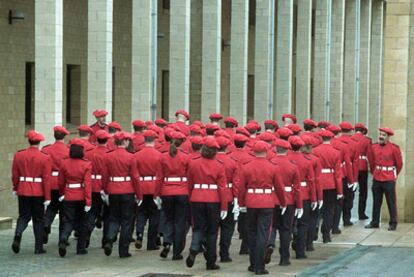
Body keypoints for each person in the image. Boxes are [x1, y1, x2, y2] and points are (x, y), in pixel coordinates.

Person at [238, 141, 286, 275]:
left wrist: (241, 204)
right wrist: (283, 202)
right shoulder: (273, 167)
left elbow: (241, 188)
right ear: (266, 151)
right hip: (266, 202)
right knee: (263, 234)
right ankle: (259, 266)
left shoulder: (246, 167)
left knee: (252, 233)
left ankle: (253, 263)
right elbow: (279, 188)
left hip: (251, 202)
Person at [186, 137, 228, 271]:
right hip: (213, 199)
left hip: (197, 197)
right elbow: (222, 188)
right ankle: (210, 262)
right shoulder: (219, 165)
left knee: (198, 228)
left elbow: (189, 183)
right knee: (212, 232)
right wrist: (224, 206)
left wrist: (191, 196)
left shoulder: (193, 163)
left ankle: (194, 247)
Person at [11, 130, 51, 254]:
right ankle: (38, 247)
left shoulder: (19, 155)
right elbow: (46, 179)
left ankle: (18, 234)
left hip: (23, 189)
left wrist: (15, 187)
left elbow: (15, 174)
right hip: (38, 191)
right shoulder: (45, 157)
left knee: (23, 216)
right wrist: (47, 197)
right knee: (38, 219)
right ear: (39, 142)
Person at [102, 131, 140, 258]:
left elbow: (105, 176)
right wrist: (139, 194)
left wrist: (105, 190)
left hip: (113, 189)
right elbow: (135, 177)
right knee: (126, 221)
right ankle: (123, 250)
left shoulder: (108, 156)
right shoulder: (131, 157)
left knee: (114, 218)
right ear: (125, 141)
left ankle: (109, 238)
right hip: (127, 190)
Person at [266, 139, 301, 266]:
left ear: (276, 149)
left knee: (272, 226)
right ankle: (284, 257)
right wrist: (299, 205)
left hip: (271, 198)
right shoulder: (292, 165)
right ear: (287, 150)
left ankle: (269, 244)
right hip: (288, 199)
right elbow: (296, 188)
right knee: (286, 229)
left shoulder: (270, 163)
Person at [156, 131, 189, 260]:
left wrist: (157, 194)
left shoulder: (163, 157)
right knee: (180, 222)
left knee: (169, 219)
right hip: (182, 191)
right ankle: (177, 252)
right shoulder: (186, 157)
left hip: (166, 191)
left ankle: (167, 243)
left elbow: (159, 177)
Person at [57, 139, 92, 257]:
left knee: (68, 220)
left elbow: (60, 181)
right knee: (82, 223)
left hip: (68, 195)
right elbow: (87, 184)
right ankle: (80, 248)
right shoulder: (86, 164)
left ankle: (63, 237)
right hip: (81, 196)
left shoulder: (64, 163)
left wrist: (62, 194)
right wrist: (88, 201)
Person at [366, 127, 403, 231]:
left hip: (389, 178)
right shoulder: (374, 147)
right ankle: (375, 222)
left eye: (383, 135)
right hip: (377, 176)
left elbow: (399, 164)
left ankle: (393, 223)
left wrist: (393, 175)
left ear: (388, 137)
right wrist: (375, 172)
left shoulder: (394, 148)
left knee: (391, 201)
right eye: (380, 134)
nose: (381, 136)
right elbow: (371, 162)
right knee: (376, 201)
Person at [287, 136, 316, 259]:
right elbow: (311, 181)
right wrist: (314, 198)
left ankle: (285, 253)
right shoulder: (306, 161)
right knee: (303, 224)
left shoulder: (286, 158)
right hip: (304, 194)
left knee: (287, 224)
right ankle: (300, 251)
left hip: (288, 194)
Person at [133, 130, 162, 250]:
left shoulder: (137, 155)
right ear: (154, 140)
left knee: (141, 213)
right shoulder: (159, 155)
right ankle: (151, 243)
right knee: (154, 216)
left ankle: (139, 234)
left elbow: (135, 174)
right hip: (154, 186)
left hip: (141, 186)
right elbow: (160, 175)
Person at [312, 130, 343, 243]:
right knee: (329, 211)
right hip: (330, 183)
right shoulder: (336, 152)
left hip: (318, 181)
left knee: (316, 209)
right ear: (331, 139)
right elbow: (338, 174)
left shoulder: (315, 151)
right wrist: (340, 191)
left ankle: (314, 230)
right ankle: (326, 234)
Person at [42, 126, 70, 244]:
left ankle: (46, 224)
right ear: (64, 136)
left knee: (51, 208)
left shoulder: (47, 149)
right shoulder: (68, 150)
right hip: (63, 183)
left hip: (50, 182)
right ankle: (62, 238)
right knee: (64, 211)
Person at [84, 130, 110, 248]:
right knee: (108, 214)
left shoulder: (89, 153)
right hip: (106, 185)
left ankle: (87, 235)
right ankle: (106, 240)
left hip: (92, 185)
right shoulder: (109, 154)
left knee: (92, 212)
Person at [215, 136, 239, 263]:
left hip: (213, 196)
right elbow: (235, 183)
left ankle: (211, 253)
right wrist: (236, 198)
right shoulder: (231, 161)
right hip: (228, 195)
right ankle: (224, 253)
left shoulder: (212, 160)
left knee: (213, 227)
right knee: (227, 227)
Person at [352, 123, 372, 220]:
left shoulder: (351, 139)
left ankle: (347, 215)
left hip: (352, 166)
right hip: (363, 166)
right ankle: (361, 213)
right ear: (364, 131)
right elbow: (370, 155)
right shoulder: (367, 140)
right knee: (363, 191)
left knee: (350, 191)